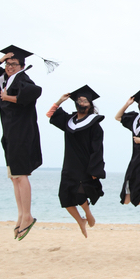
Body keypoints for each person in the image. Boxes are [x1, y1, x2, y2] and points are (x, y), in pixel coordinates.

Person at [0, 45, 42, 241]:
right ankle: (21, 215)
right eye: (8, 64)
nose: (10, 67)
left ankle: (28, 216)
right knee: (14, 177)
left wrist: (10, 98)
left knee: (21, 175)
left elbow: (35, 91)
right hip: (9, 134)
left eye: (14, 64)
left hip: (22, 133)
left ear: (22, 66)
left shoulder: (23, 79)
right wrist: (2, 59)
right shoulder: (3, 77)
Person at [47, 85, 106, 238]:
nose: (82, 102)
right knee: (65, 197)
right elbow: (50, 114)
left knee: (80, 195)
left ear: (90, 104)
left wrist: (95, 171)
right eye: (79, 100)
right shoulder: (69, 121)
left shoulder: (95, 125)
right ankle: (81, 221)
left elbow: (98, 150)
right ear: (75, 104)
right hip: (69, 164)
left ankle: (87, 213)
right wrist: (60, 100)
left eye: (85, 100)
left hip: (85, 166)